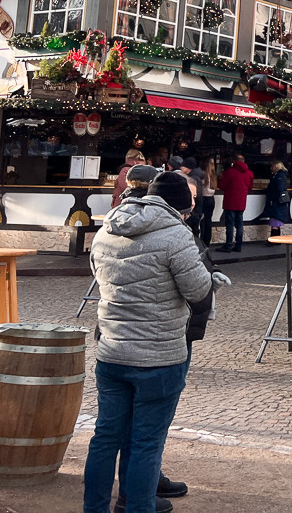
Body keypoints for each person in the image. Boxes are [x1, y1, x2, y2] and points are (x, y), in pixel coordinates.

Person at [84, 171, 213, 513]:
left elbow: (98, 275)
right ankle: (137, 507)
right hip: (159, 357)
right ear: (180, 206)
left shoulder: (106, 230)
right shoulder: (175, 234)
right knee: (146, 443)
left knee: (104, 438)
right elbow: (199, 291)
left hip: (111, 352)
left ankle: (93, 508)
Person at [219, 154, 253, 252]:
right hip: (242, 202)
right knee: (239, 224)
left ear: (234, 161)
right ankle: (238, 245)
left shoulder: (229, 172)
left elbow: (222, 185)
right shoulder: (249, 173)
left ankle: (228, 245)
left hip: (230, 201)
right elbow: (250, 187)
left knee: (229, 224)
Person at [180, 157, 205, 240]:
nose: (181, 168)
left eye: (183, 167)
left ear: (188, 168)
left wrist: (194, 212)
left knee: (193, 233)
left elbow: (197, 197)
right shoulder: (196, 177)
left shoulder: (193, 179)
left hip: (194, 212)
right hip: (195, 211)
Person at [263, 160, 290, 238]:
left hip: (277, 202)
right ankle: (276, 239)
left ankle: (274, 239)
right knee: (276, 221)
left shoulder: (279, 176)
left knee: (275, 221)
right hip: (279, 202)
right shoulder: (280, 175)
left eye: (272, 166)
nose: (271, 168)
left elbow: (279, 188)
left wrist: (273, 196)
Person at [197, 157, 218, 247]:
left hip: (204, 198)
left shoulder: (203, 174)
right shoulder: (213, 175)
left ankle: (202, 241)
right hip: (211, 199)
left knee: (202, 221)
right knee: (208, 221)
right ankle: (207, 242)